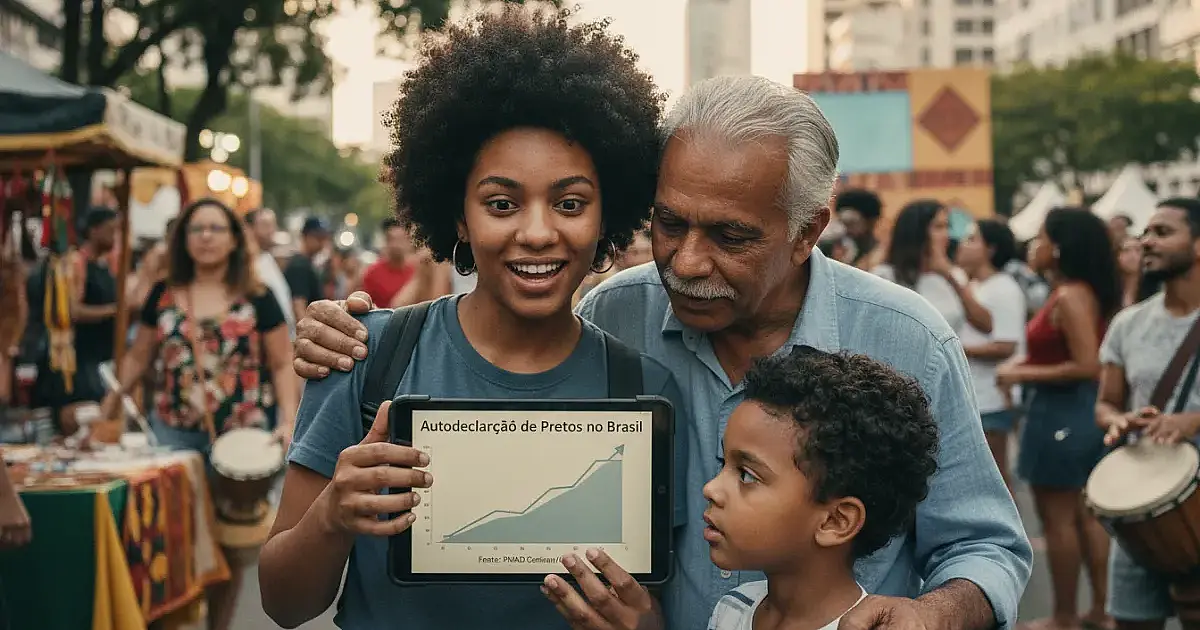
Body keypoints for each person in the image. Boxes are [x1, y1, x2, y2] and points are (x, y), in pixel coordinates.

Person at [290, 74, 1032, 630]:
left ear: (809, 231)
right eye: (670, 223)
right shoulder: (614, 316)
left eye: (731, 236)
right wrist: (353, 332)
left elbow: (987, 548)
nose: (685, 262)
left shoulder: (908, 338)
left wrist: (935, 615)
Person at [257, 7, 685, 630]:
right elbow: (282, 603)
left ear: (606, 214)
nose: (536, 233)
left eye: (569, 203)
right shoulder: (364, 355)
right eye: (501, 203)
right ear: (458, 216)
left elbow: (659, 606)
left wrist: (642, 624)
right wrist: (330, 515)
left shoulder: (646, 393)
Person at [564, 346, 937, 630]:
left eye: (746, 476)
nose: (711, 488)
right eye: (721, 465)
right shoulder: (736, 609)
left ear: (835, 521)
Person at [100, 198, 298, 630]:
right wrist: (108, 409)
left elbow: (283, 363)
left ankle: (217, 625)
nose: (206, 237)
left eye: (216, 229)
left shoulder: (259, 298)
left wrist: (289, 421)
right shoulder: (163, 293)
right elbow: (138, 358)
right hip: (173, 433)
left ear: (233, 240)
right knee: (169, 538)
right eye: (196, 229)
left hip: (242, 437)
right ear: (182, 240)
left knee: (230, 544)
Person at [996, 207, 1121, 630]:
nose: (1034, 246)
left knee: (1061, 519)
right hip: (1073, 412)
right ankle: (1099, 609)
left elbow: (1088, 364)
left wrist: (1020, 371)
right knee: (1084, 516)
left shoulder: (1070, 296)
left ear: (1060, 247)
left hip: (1062, 414)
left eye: (1041, 238)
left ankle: (1067, 615)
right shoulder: (1076, 291)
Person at [1098, 198, 1200, 630]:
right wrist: (1117, 421)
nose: (1146, 241)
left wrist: (1193, 421)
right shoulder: (1127, 323)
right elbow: (1106, 403)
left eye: (1162, 232)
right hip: (1142, 507)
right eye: (1145, 232)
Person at [954, 219, 1026, 491]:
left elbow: (1005, 346)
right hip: (976, 397)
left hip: (992, 399)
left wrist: (953, 348)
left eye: (972, 239)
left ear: (991, 249)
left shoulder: (1003, 288)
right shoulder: (974, 284)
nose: (963, 244)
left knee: (995, 482)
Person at [873, 200, 993, 336]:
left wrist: (949, 275)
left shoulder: (953, 274)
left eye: (947, 227)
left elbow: (986, 324)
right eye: (938, 227)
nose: (946, 235)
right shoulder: (885, 275)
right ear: (917, 232)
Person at [834, 188, 882, 270]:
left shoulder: (881, 254)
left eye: (852, 223)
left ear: (871, 222)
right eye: (843, 223)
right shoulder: (831, 248)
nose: (846, 229)